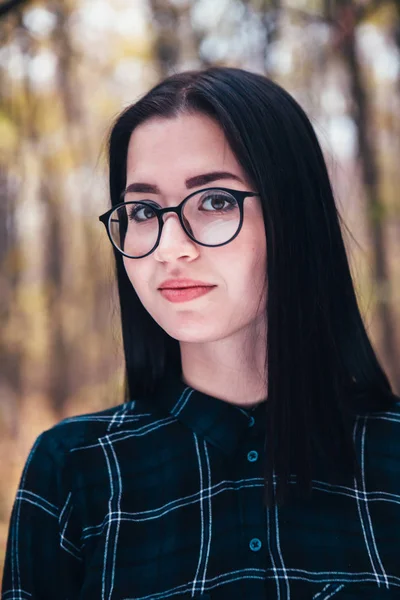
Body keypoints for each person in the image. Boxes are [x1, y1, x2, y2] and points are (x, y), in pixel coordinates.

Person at [2, 67, 400, 600]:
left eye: (214, 201)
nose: (169, 246)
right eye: (143, 210)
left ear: (292, 213)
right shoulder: (73, 470)